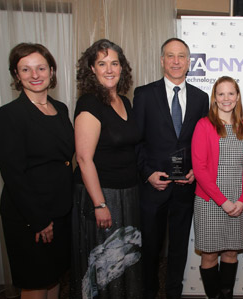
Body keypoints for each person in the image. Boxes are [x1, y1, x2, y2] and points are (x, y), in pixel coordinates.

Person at [0, 43, 74, 299]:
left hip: (60, 210)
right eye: (25, 69)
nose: (35, 75)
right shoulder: (9, 115)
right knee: (35, 282)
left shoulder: (60, 108)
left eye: (40, 68)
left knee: (54, 277)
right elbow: (13, 174)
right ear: (16, 75)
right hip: (29, 217)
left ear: (51, 71)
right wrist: (38, 220)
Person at [132, 37, 209, 299]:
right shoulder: (143, 94)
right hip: (154, 186)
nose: (176, 61)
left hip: (185, 187)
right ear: (162, 60)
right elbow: (136, 141)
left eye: (181, 56)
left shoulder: (201, 98)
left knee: (178, 247)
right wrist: (147, 173)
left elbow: (203, 143)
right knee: (150, 247)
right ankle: (149, 292)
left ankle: (174, 292)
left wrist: (197, 171)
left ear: (189, 62)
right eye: (170, 56)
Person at [71, 39, 142, 298]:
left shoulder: (125, 100)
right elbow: (83, 158)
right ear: (92, 69)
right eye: (102, 64)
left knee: (125, 262)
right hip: (102, 195)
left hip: (128, 193)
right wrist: (100, 204)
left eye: (114, 63)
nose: (109, 69)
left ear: (122, 67)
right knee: (103, 266)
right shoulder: (90, 103)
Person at [191, 76, 243, 299]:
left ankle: (226, 295)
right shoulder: (204, 125)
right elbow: (199, 169)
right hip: (210, 202)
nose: (226, 98)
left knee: (230, 253)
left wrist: (242, 200)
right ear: (214, 99)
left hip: (237, 203)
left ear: (237, 97)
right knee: (209, 256)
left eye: (231, 93)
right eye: (221, 94)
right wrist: (224, 202)